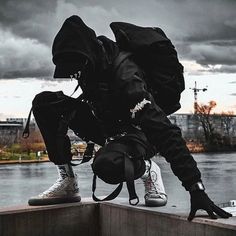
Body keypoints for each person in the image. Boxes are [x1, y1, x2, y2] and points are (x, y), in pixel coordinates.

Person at [27, 15, 232, 221]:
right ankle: (68, 181)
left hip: (141, 134)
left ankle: (148, 170)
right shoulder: (92, 66)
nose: (75, 76)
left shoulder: (126, 77)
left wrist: (196, 188)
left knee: (107, 165)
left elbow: (165, 131)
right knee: (45, 103)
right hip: (110, 127)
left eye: (76, 71)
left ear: (86, 57)